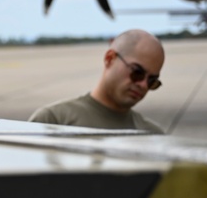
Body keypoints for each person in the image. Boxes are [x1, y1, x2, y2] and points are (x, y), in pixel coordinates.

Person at [28, 29, 165, 133]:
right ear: (110, 58)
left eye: (152, 81)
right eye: (137, 72)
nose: (142, 85)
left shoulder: (153, 135)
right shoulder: (53, 121)